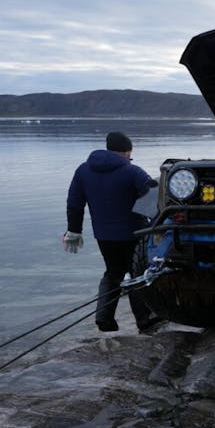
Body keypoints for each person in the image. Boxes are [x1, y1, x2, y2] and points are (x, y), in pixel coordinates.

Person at [64, 131, 163, 334]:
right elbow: (154, 197)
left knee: (112, 273)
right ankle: (145, 320)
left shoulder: (83, 170)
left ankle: (104, 319)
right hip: (133, 232)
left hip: (103, 235)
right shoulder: (132, 171)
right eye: (129, 152)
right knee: (137, 274)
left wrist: (74, 231)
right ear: (126, 151)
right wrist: (155, 225)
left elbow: (74, 203)